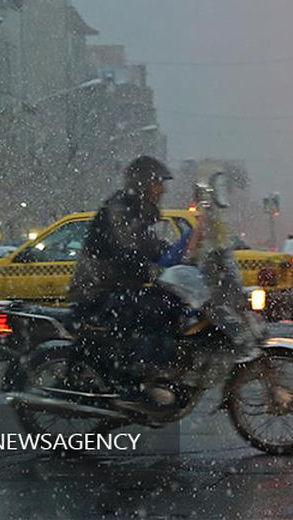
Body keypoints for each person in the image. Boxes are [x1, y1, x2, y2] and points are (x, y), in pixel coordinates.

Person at [68, 155, 181, 409]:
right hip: (97, 289)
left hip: (117, 286)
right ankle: (132, 384)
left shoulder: (138, 211)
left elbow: (151, 246)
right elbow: (126, 252)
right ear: (142, 183)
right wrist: (153, 271)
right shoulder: (118, 209)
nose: (162, 189)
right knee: (150, 310)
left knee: (172, 303)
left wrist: (182, 260)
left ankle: (162, 373)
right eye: (158, 183)